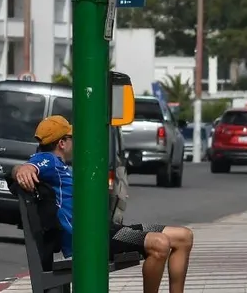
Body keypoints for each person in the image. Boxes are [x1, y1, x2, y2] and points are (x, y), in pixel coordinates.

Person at [12, 116, 195, 293]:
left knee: (184, 237)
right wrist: (22, 169)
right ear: (62, 143)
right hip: (91, 240)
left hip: (106, 232)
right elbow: (32, 165)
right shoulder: (50, 161)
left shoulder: (62, 166)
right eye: (72, 138)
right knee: (159, 244)